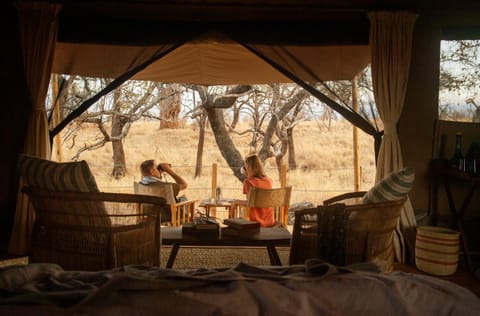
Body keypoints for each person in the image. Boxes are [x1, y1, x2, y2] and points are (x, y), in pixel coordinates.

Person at [233, 154, 274, 227]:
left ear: (249, 168)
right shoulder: (269, 181)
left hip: (254, 222)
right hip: (270, 221)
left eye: (245, 167)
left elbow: (249, 203)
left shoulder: (248, 182)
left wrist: (236, 201)